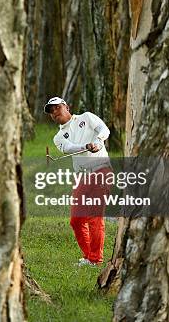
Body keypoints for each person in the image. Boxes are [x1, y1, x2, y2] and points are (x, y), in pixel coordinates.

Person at [44, 96, 113, 266]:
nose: (54, 112)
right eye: (51, 111)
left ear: (66, 106)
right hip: (81, 177)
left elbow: (104, 129)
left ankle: (95, 259)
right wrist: (85, 146)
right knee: (76, 220)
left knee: (94, 217)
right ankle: (89, 256)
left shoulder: (86, 117)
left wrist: (98, 140)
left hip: (101, 170)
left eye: (57, 108)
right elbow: (68, 148)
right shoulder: (58, 137)